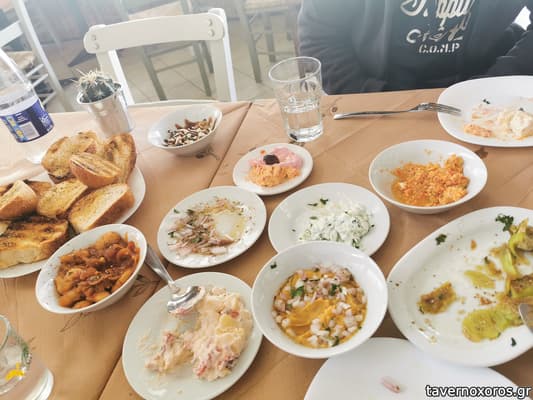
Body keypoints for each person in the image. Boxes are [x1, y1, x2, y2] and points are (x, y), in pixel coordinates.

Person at [298, 0, 533, 94]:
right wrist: (370, 95)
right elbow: (318, 35)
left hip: (483, 88)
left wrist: (497, 80)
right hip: (375, 91)